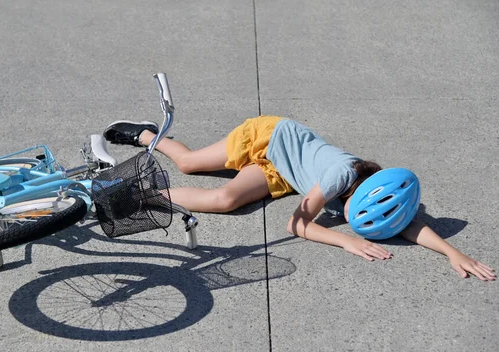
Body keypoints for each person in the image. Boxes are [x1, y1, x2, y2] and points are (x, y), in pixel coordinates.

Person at [103, 116, 495, 281]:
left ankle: (139, 197)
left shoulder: (371, 190)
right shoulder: (341, 175)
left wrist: (451, 253)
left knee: (225, 199)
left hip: (285, 172)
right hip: (271, 136)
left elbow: (407, 224)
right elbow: (297, 224)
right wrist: (345, 239)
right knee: (189, 164)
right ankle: (144, 134)